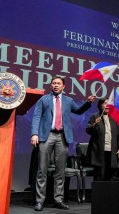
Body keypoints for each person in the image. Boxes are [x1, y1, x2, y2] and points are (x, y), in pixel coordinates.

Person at [30, 76, 95, 211]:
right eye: (54, 83)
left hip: (62, 137)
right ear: (51, 85)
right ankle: (39, 201)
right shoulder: (44, 99)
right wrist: (34, 133)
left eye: (58, 83)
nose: (56, 85)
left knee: (60, 171)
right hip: (46, 135)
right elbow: (36, 116)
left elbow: (78, 111)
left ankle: (58, 199)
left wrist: (87, 103)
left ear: (63, 86)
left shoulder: (68, 100)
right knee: (42, 170)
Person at [85, 97, 119, 181]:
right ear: (100, 105)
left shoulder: (114, 117)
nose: (107, 106)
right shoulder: (95, 116)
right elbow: (88, 130)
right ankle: (99, 193)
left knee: (111, 175)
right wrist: (95, 124)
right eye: (105, 103)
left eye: (109, 104)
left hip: (112, 150)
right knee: (100, 175)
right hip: (99, 151)